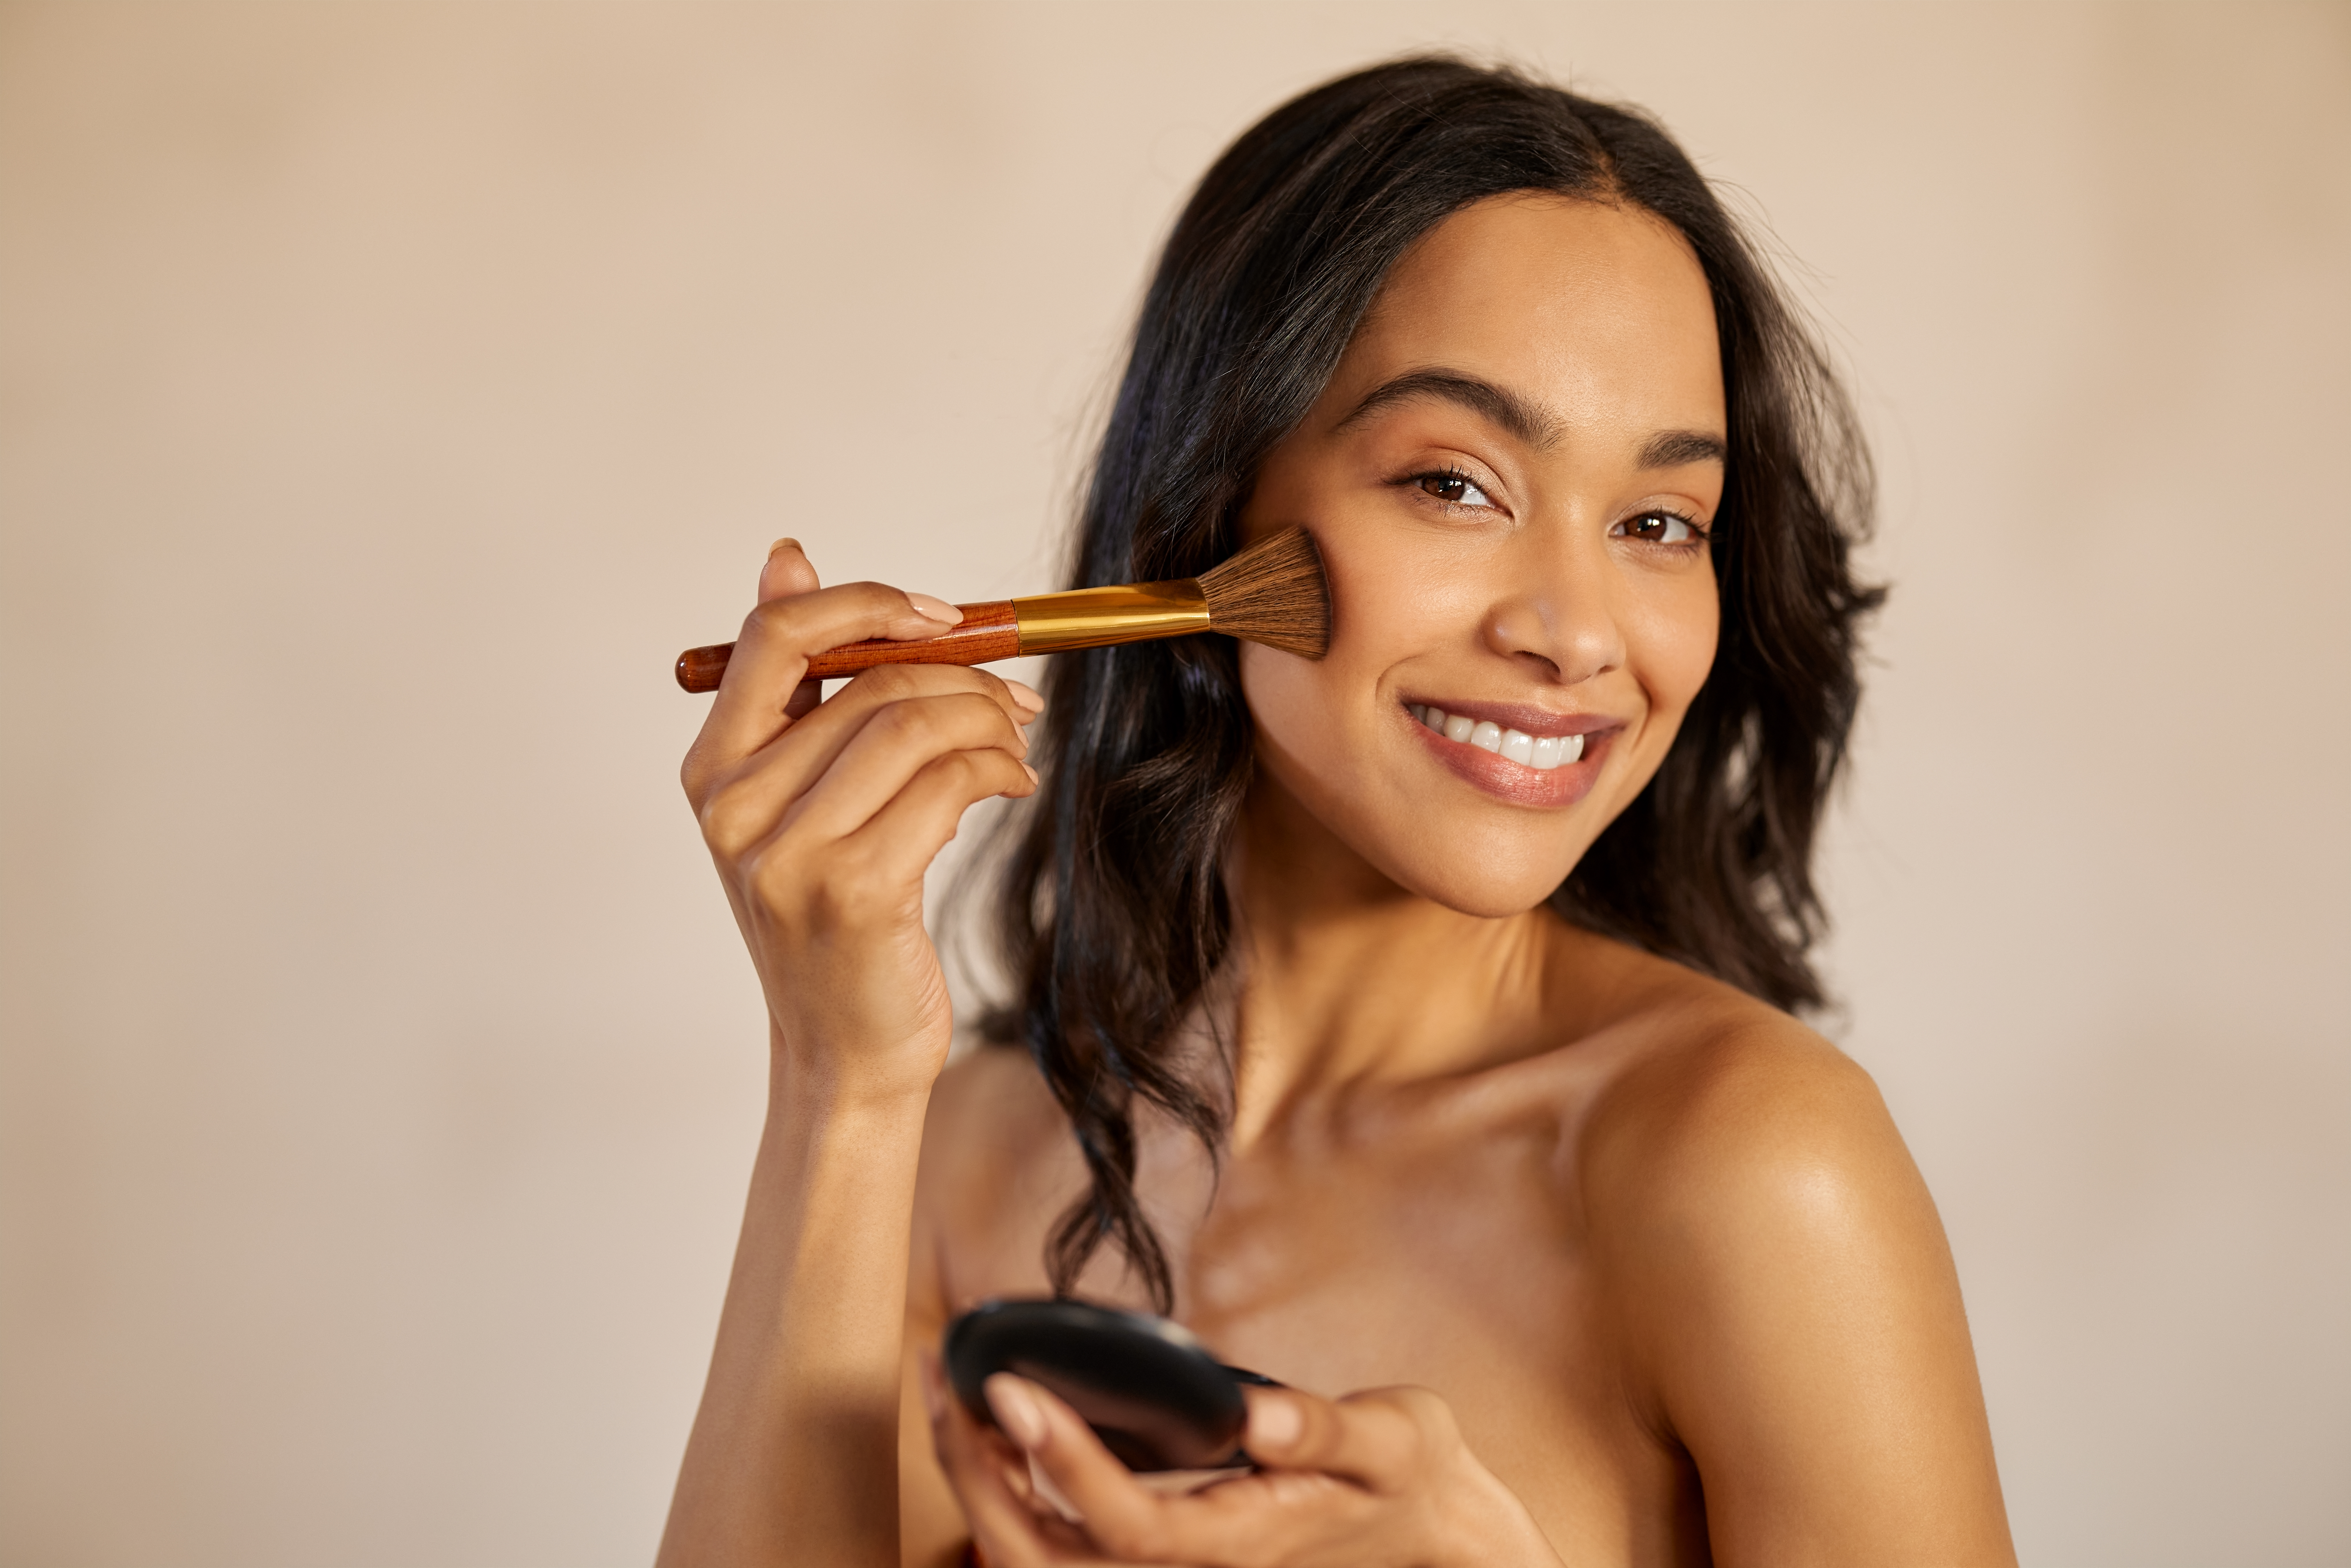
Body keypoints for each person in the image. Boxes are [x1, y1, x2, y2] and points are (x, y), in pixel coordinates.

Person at [658, 57, 2016, 1568]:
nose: (1574, 631)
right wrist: (834, 1075)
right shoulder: (963, 1152)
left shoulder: (1752, 1165)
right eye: (1455, 483)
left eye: (1658, 522)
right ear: (1211, 508)